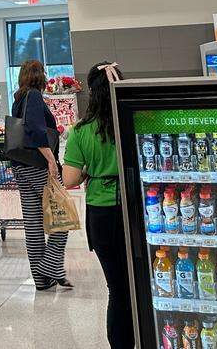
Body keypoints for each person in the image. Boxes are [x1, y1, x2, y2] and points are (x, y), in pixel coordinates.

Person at [62, 63, 132, 346]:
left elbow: (69, 179)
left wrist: (92, 168)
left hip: (102, 213)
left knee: (117, 289)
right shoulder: (132, 118)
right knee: (141, 281)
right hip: (140, 207)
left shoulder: (81, 130)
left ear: (91, 92)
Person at [10, 58, 70, 291]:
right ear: (40, 75)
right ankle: (49, 266)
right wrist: (51, 160)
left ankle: (40, 279)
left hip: (20, 165)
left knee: (33, 223)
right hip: (37, 165)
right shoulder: (33, 95)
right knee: (62, 218)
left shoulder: (18, 98)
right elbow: (34, 130)